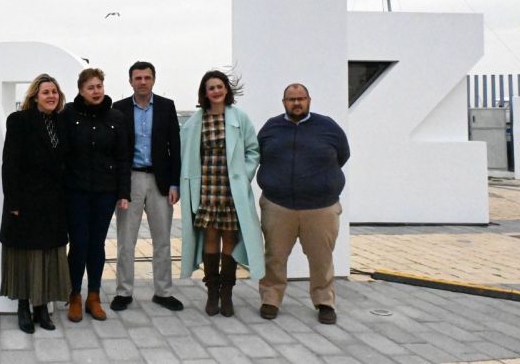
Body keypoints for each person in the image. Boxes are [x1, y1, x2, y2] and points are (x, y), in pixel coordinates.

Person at [257, 83, 349, 325]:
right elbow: (260, 155)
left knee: (321, 258)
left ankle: (324, 302)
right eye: (291, 99)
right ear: (284, 103)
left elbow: (343, 155)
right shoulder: (271, 128)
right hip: (278, 206)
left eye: (301, 98)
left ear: (309, 100)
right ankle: (271, 298)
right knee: (275, 256)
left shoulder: (328, 127)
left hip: (321, 207)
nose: (296, 103)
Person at [179, 70, 264, 317]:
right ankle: (212, 292)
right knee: (210, 237)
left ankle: (227, 292)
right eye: (211, 88)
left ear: (226, 89)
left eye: (219, 86)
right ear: (204, 93)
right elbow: (186, 155)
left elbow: (253, 151)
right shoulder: (195, 122)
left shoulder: (240, 118)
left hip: (231, 190)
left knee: (229, 238)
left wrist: (244, 175)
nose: (216, 91)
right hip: (207, 188)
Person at [0, 74, 71, 333]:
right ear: (35, 96)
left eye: (54, 91)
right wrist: (13, 201)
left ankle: (41, 308)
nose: (51, 96)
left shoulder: (62, 122)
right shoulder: (19, 120)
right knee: (24, 255)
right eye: (46, 92)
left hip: (53, 203)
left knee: (48, 255)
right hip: (26, 201)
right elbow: (10, 164)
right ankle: (23, 307)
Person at [111, 61, 183, 312]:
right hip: (130, 179)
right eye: (138, 78)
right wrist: (118, 186)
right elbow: (115, 149)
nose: (143, 82)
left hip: (159, 180)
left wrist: (174, 183)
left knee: (162, 240)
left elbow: (175, 147)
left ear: (154, 79)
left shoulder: (166, 106)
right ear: (130, 81)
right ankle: (123, 292)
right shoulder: (119, 108)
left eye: (147, 77)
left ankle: (163, 292)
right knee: (125, 240)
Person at [62, 67, 131, 322]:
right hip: (76, 191)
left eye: (99, 86)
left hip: (105, 192)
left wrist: (123, 192)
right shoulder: (68, 114)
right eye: (90, 87)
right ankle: (74, 296)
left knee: (96, 244)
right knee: (78, 243)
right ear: (81, 90)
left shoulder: (116, 117)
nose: (96, 91)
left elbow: (123, 157)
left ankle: (94, 296)